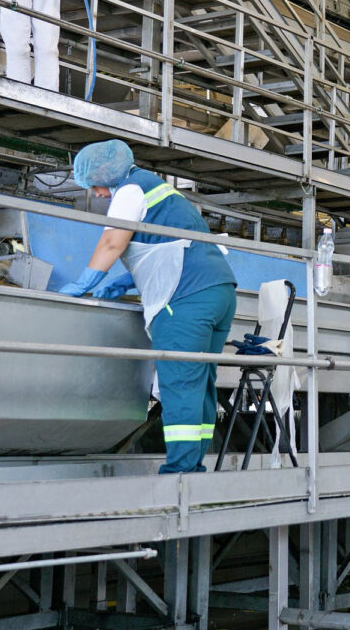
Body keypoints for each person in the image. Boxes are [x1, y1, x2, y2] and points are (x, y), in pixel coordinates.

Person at [58, 139, 237, 474]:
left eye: (95, 185)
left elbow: (112, 242)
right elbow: (168, 247)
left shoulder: (129, 190)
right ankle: (194, 465)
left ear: (106, 174)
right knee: (200, 383)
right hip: (220, 291)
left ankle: (181, 473)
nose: (97, 193)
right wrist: (126, 281)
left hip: (186, 298)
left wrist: (85, 283)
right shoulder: (163, 190)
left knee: (180, 383)